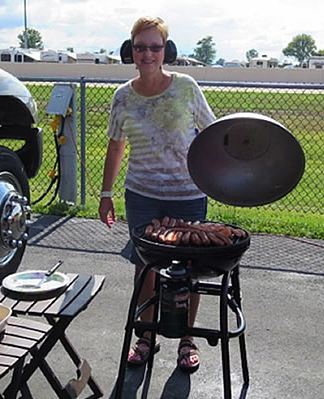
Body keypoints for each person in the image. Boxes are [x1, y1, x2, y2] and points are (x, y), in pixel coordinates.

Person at [98, 16, 216, 373]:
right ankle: (146, 337)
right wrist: (106, 194)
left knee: (189, 270)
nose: (147, 53)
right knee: (144, 267)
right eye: (140, 47)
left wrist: (223, 179)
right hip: (143, 194)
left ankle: (187, 339)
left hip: (188, 194)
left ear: (167, 51)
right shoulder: (122, 97)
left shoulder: (186, 87)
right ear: (130, 52)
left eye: (155, 46)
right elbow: (116, 148)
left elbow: (212, 134)